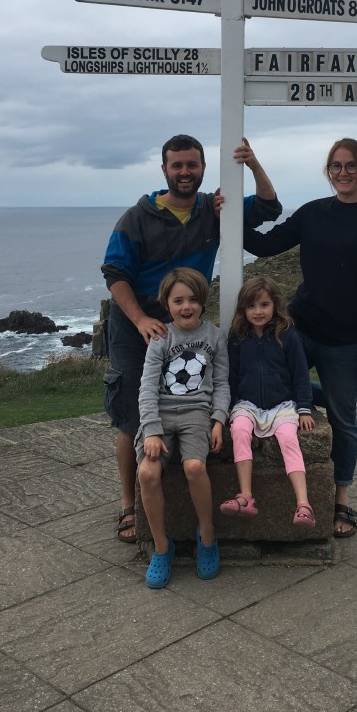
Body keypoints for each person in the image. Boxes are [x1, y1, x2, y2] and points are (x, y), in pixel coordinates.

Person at [102, 134, 281, 543]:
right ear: (164, 170)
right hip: (136, 328)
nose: (185, 172)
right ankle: (129, 506)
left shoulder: (212, 209)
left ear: (203, 169)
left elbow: (269, 207)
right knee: (133, 415)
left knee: (190, 400)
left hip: (188, 327)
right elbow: (115, 273)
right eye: (177, 165)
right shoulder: (138, 217)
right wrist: (142, 319)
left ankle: (178, 493)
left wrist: (252, 164)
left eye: (192, 165)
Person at [242, 138, 357, 539]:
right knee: (266, 387)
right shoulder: (314, 212)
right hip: (301, 328)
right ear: (328, 171)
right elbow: (265, 244)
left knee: (345, 419)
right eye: (335, 166)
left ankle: (341, 499)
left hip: (347, 340)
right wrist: (226, 219)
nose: (342, 173)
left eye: (351, 166)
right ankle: (317, 395)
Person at [136, 268, 230, 588]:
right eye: (178, 300)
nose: (185, 306)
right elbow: (147, 386)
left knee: (194, 467)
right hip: (161, 415)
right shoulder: (161, 337)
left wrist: (218, 420)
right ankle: (162, 548)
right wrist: (151, 430)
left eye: (192, 299)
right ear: (167, 304)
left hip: (196, 414)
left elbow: (221, 383)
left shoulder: (215, 336)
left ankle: (207, 537)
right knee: (147, 473)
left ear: (203, 302)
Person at [221, 276, 316, 526]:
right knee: (240, 430)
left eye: (264, 305)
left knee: (288, 439)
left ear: (275, 305)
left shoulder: (287, 335)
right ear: (243, 309)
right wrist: (226, 409)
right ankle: (246, 496)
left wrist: (304, 409)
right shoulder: (237, 336)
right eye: (251, 306)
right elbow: (231, 375)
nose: (257, 311)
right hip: (247, 404)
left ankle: (303, 504)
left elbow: (301, 374)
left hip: (282, 405)